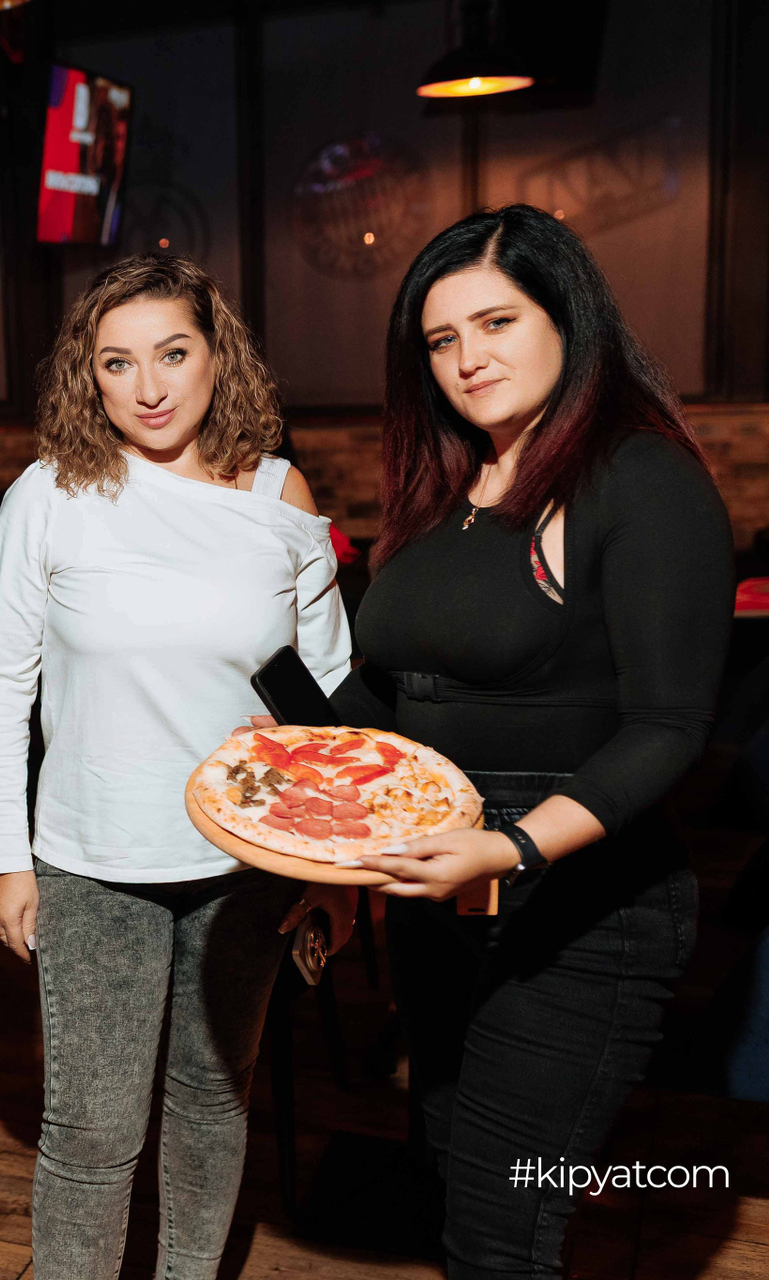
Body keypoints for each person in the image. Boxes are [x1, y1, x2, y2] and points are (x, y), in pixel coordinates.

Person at [326, 205, 731, 1278]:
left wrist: (509, 848)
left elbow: (669, 726)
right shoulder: (448, 485)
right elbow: (398, 700)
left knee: (503, 1231)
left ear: (568, 317)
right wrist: (286, 736)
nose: (468, 358)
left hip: (579, 903)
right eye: (441, 339)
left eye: (497, 322)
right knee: (453, 1172)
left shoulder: (639, 477)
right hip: (441, 892)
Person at [0, 255, 356, 1280]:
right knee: (90, 1130)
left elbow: (324, 698)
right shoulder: (49, 495)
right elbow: (1, 693)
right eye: (117, 362)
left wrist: (336, 869)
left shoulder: (278, 491)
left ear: (217, 355)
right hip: (94, 861)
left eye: (172, 353)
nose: (148, 386)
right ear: (86, 375)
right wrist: (1, 857)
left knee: (212, 1101)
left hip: (252, 863)